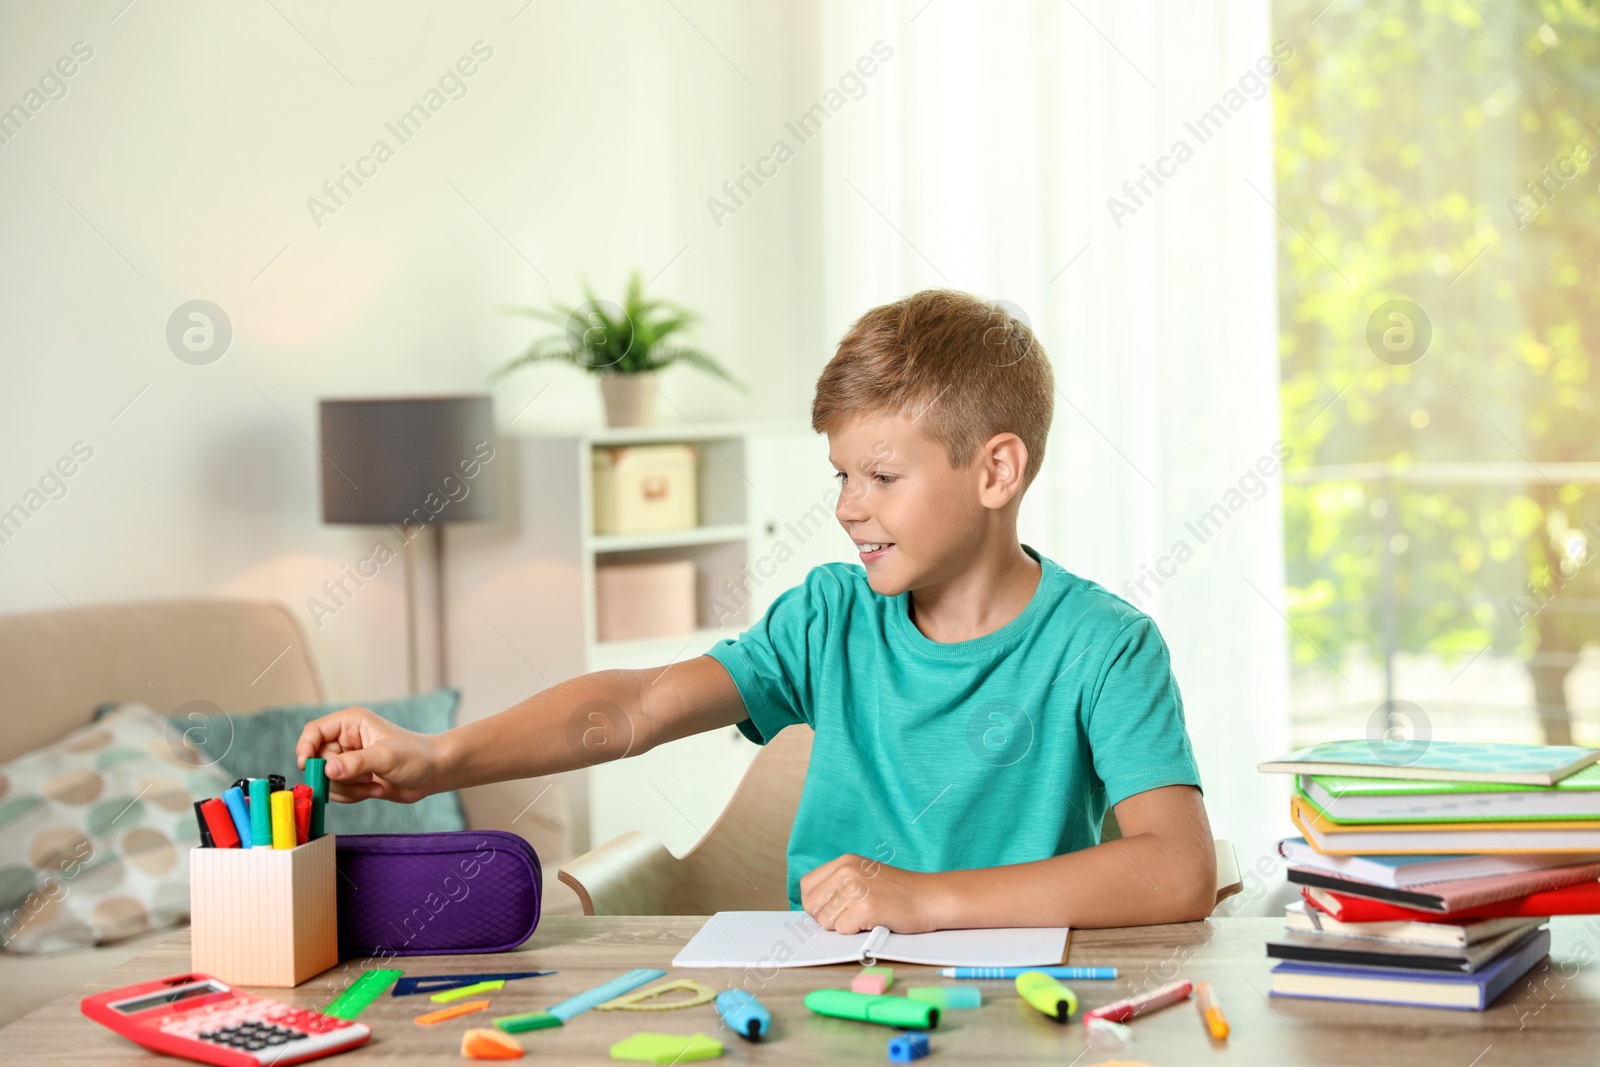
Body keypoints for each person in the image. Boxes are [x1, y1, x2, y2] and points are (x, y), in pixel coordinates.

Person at [296, 289, 1216, 933]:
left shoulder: (1105, 647)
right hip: (821, 988)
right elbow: (640, 704)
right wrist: (438, 757)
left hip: (1025, 996)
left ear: (996, 470)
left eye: (882, 476)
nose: (850, 505)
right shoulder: (828, 616)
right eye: (841, 476)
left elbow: (1176, 870)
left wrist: (922, 898)